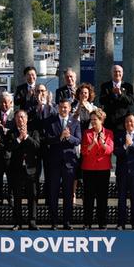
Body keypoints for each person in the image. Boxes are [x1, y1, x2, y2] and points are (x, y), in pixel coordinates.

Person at [43, 98, 81, 230]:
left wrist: (69, 137)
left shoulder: (75, 122)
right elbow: (46, 139)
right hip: (54, 163)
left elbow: (78, 140)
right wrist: (60, 137)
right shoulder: (50, 121)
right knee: (53, 193)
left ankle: (67, 222)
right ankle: (54, 222)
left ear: (70, 108)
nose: (64, 109)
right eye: (61, 107)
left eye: (66, 107)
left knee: (68, 194)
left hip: (69, 164)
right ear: (58, 108)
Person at [5, 110, 40, 230]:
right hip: (16, 169)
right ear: (15, 119)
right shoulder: (11, 133)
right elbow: (9, 148)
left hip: (31, 169)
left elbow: (37, 146)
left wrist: (27, 137)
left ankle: (32, 221)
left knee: (32, 196)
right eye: (18, 117)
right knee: (17, 197)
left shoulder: (34, 131)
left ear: (26, 118)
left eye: (22, 117)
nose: (20, 119)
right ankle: (18, 222)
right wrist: (19, 138)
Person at [81, 109, 114, 230]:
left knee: (102, 198)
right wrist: (93, 144)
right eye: (92, 119)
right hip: (89, 169)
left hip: (103, 169)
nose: (93, 121)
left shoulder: (109, 133)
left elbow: (110, 150)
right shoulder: (87, 133)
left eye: (95, 119)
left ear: (101, 120)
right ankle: (87, 223)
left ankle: (102, 223)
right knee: (88, 197)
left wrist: (103, 143)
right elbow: (83, 151)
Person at [114, 113, 134, 230]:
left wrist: (132, 144)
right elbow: (116, 152)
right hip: (122, 172)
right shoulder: (119, 135)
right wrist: (124, 146)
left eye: (131, 121)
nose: (129, 123)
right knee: (121, 199)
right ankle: (121, 223)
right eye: (127, 121)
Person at [99, 65, 134, 134]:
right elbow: (101, 100)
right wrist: (112, 94)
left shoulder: (128, 86)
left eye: (119, 71)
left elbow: (131, 101)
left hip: (123, 122)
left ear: (122, 73)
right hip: (109, 122)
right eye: (115, 72)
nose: (117, 74)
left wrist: (121, 94)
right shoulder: (105, 86)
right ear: (111, 73)